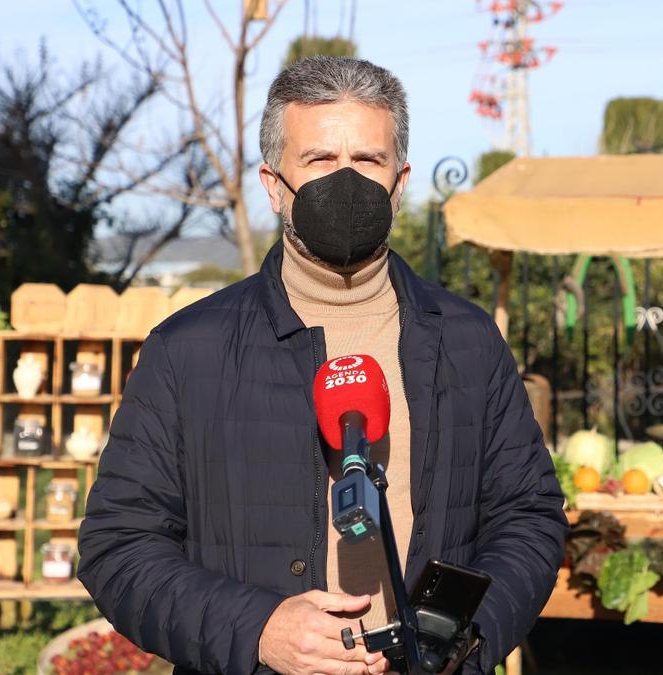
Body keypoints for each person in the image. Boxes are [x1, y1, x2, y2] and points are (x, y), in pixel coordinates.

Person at [78, 56, 568, 675]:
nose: (347, 182)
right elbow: (117, 546)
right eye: (318, 161)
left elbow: (530, 516)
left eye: (368, 160)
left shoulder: (470, 342)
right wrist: (257, 630)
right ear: (272, 184)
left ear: (401, 178)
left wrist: (462, 643)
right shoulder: (186, 350)